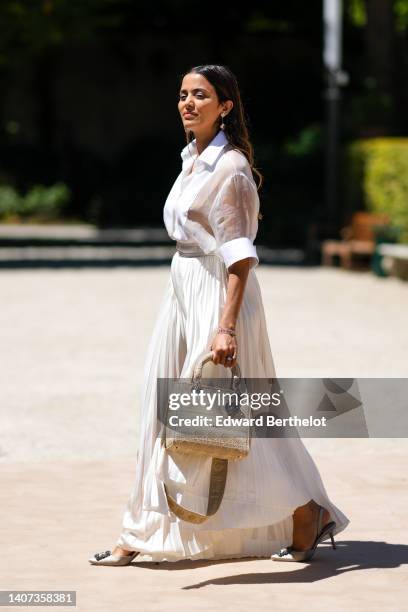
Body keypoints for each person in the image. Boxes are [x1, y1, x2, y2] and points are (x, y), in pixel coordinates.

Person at [89, 64, 350, 566]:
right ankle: (140, 530)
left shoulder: (229, 168)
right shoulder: (191, 159)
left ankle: (306, 511)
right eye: (183, 94)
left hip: (219, 297)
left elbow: (240, 256)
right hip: (183, 290)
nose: (188, 103)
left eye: (201, 95)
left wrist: (225, 326)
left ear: (225, 106)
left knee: (243, 417)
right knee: (162, 408)